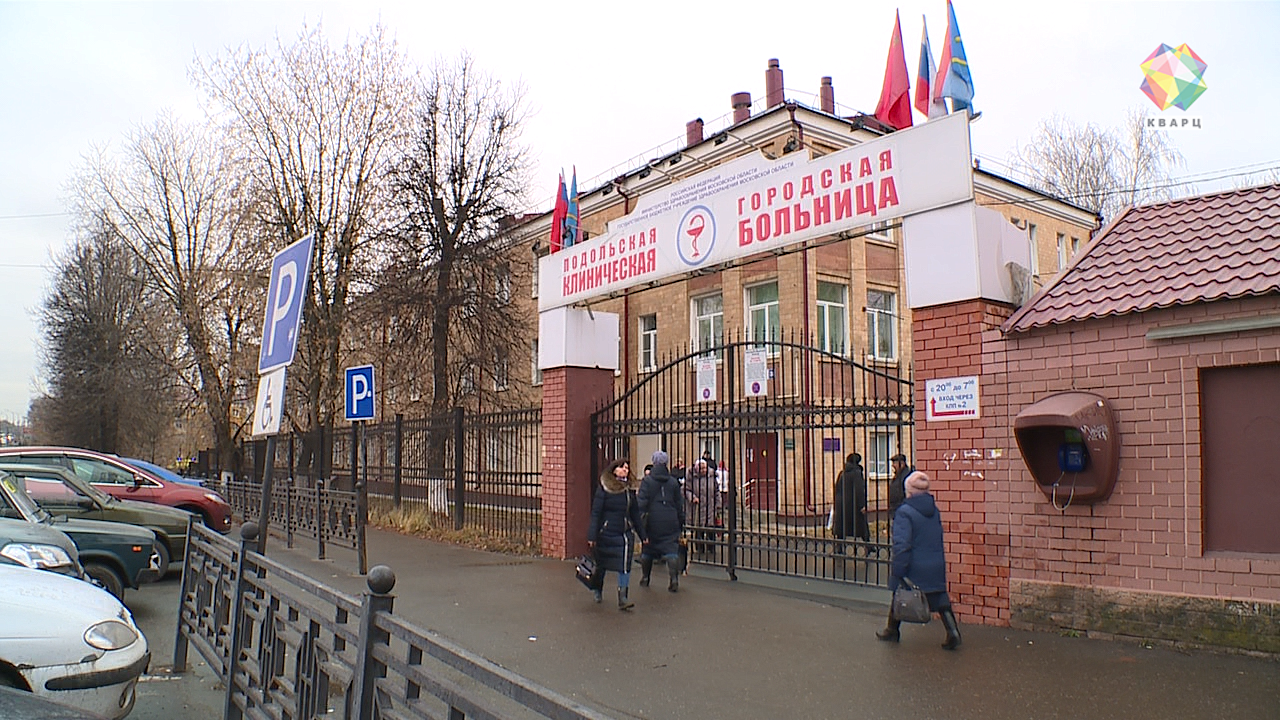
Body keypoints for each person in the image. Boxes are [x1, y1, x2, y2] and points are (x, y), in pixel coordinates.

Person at [876, 471, 962, 650]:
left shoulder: (905, 512)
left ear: (908, 491)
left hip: (914, 564)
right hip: (935, 563)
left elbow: (902, 544)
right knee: (940, 599)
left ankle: (892, 630)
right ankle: (953, 632)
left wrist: (898, 568)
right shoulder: (934, 510)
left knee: (900, 593)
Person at [586, 458, 647, 610]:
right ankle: (597, 589)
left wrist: (643, 535)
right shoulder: (604, 488)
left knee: (625, 565)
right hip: (606, 532)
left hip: (623, 533)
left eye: (627, 468)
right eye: (621, 467)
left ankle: (623, 598)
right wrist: (592, 535)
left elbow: (635, 514)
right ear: (614, 470)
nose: (625, 470)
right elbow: (596, 513)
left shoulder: (628, 490)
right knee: (601, 565)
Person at [638, 450, 686, 592]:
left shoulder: (647, 481)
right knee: (671, 548)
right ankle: (674, 579)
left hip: (653, 519)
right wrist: (680, 521)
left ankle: (645, 577)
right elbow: (679, 503)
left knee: (648, 549)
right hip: (670, 519)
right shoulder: (673, 482)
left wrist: (639, 521)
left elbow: (641, 503)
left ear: (654, 463)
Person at [830, 452, 869, 553]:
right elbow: (859, 490)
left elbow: (836, 488)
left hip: (841, 504)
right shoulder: (857, 473)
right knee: (861, 526)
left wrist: (836, 503)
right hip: (853, 505)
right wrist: (862, 505)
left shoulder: (842, 473)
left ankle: (839, 547)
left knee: (842, 527)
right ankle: (868, 546)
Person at [683, 459, 721, 557]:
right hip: (697, 507)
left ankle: (711, 547)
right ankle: (699, 547)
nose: (704, 470)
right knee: (698, 527)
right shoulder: (691, 477)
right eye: (701, 468)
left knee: (710, 527)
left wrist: (718, 504)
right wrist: (693, 498)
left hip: (710, 506)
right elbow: (685, 490)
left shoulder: (711, 476)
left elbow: (717, 491)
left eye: (705, 467)